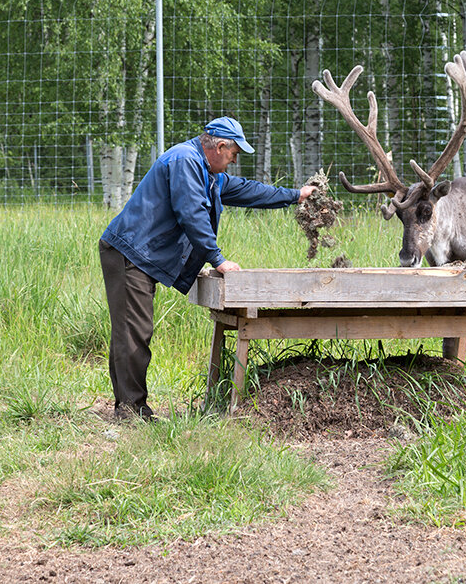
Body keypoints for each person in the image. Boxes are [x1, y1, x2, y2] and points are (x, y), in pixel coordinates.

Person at [98, 116, 317, 421]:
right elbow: (191, 214)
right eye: (233, 154)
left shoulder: (208, 173)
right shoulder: (185, 162)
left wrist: (295, 195)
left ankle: (130, 405)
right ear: (220, 146)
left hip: (140, 254)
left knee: (132, 330)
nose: (233, 160)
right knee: (134, 331)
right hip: (128, 253)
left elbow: (249, 191)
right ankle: (131, 410)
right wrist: (217, 259)